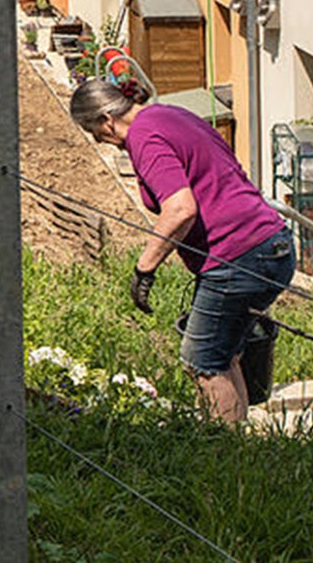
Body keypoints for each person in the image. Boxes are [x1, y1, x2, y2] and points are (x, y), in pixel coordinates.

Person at [71, 77, 296, 423]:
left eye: (95, 132)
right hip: (271, 244)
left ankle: (221, 452)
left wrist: (144, 268)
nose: (101, 141)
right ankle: (240, 451)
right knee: (225, 356)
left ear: (106, 120)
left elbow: (180, 208)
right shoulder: (170, 114)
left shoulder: (143, 136)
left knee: (202, 360)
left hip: (237, 254)